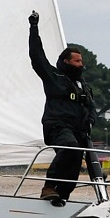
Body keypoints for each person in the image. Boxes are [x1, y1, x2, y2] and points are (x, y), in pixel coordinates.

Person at [28, 11, 102, 206]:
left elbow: (91, 107)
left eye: (81, 61)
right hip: (57, 126)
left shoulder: (83, 85)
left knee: (75, 160)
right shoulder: (54, 77)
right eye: (77, 61)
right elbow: (37, 56)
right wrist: (34, 28)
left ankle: (62, 196)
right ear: (67, 61)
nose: (81, 64)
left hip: (79, 131)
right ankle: (49, 187)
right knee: (70, 148)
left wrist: (91, 121)